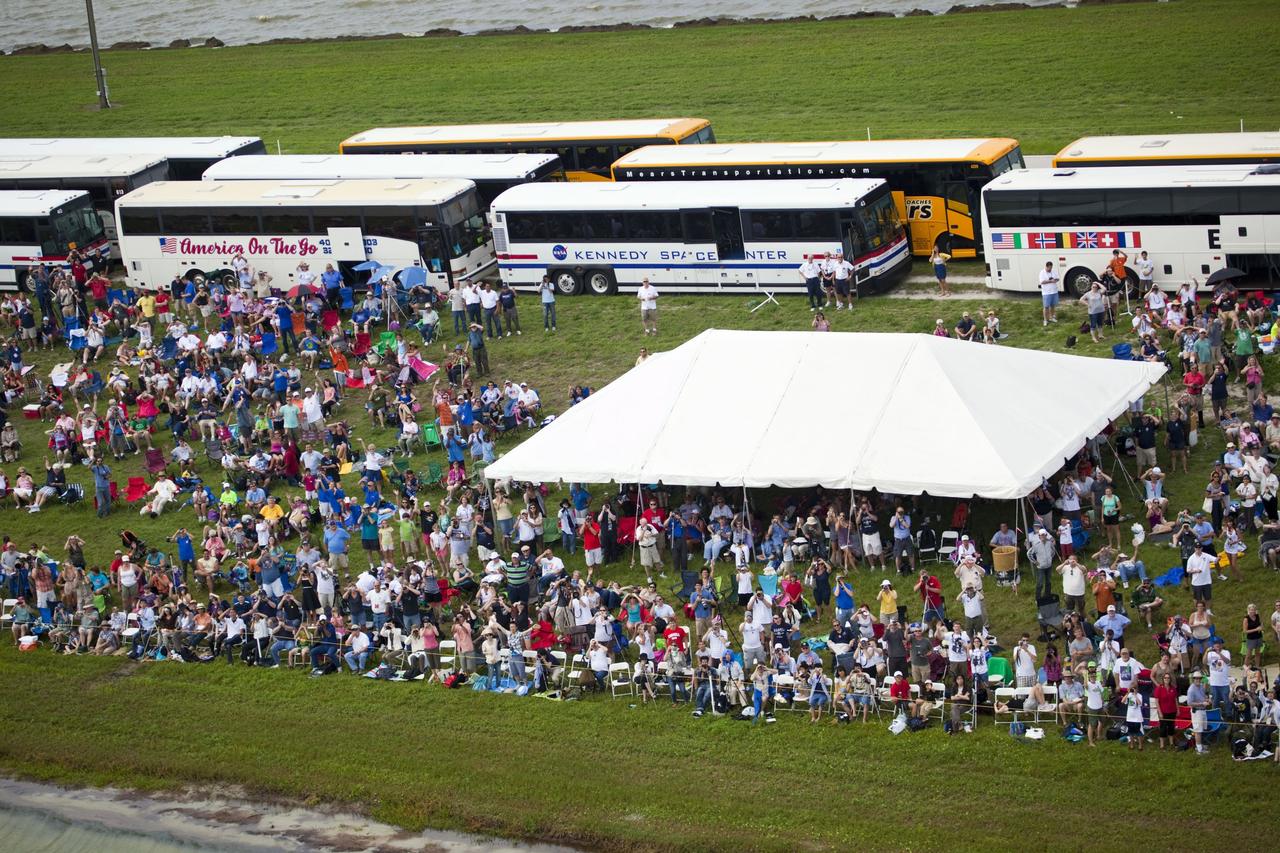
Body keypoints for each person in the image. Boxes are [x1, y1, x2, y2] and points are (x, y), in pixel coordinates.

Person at [1039, 261, 1061, 326]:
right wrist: (1050, 281)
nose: (1050, 269)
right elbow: (1042, 282)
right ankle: (1045, 320)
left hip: (1054, 291)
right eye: (1049, 268)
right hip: (1046, 292)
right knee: (1046, 307)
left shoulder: (1053, 271)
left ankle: (1052, 317)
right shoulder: (1042, 272)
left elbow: (1058, 279)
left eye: (1051, 268)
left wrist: (1055, 280)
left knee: (1053, 305)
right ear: (1046, 266)